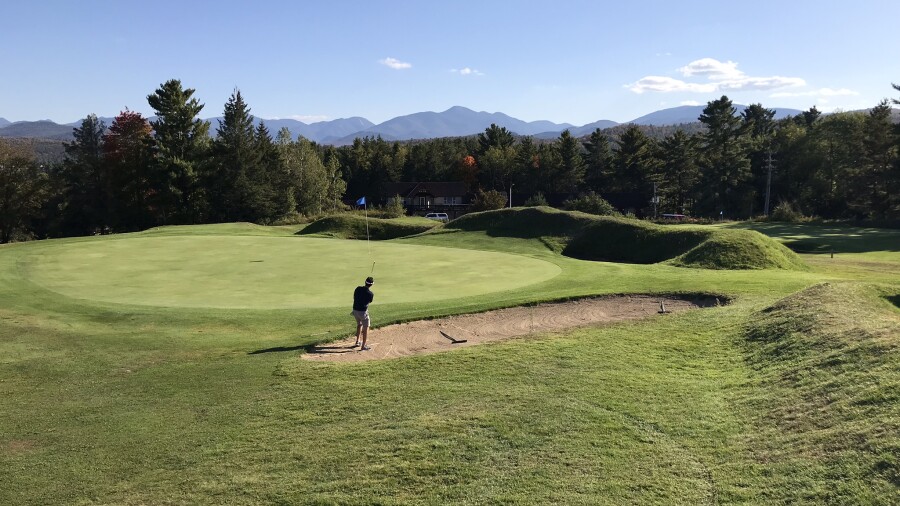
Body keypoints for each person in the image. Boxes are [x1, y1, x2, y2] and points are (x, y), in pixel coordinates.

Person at [351, 276, 375, 350]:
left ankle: (358, 341)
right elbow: (370, 301)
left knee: (359, 324)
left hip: (355, 311)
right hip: (363, 312)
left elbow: (354, 297)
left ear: (365, 282)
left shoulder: (357, 288)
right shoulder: (370, 294)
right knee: (366, 327)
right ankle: (363, 346)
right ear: (371, 284)